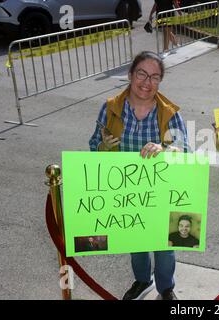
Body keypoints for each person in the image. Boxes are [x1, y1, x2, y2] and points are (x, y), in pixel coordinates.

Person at [89, 51, 188, 300]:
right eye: (142, 74)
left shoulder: (169, 113)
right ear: (131, 75)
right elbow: (93, 146)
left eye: (155, 77)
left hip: (161, 194)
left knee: (164, 248)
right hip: (128, 196)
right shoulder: (110, 109)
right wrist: (103, 147)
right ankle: (142, 281)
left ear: (160, 81)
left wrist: (165, 149)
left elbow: (184, 150)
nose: (147, 82)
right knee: (135, 243)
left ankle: (166, 287)